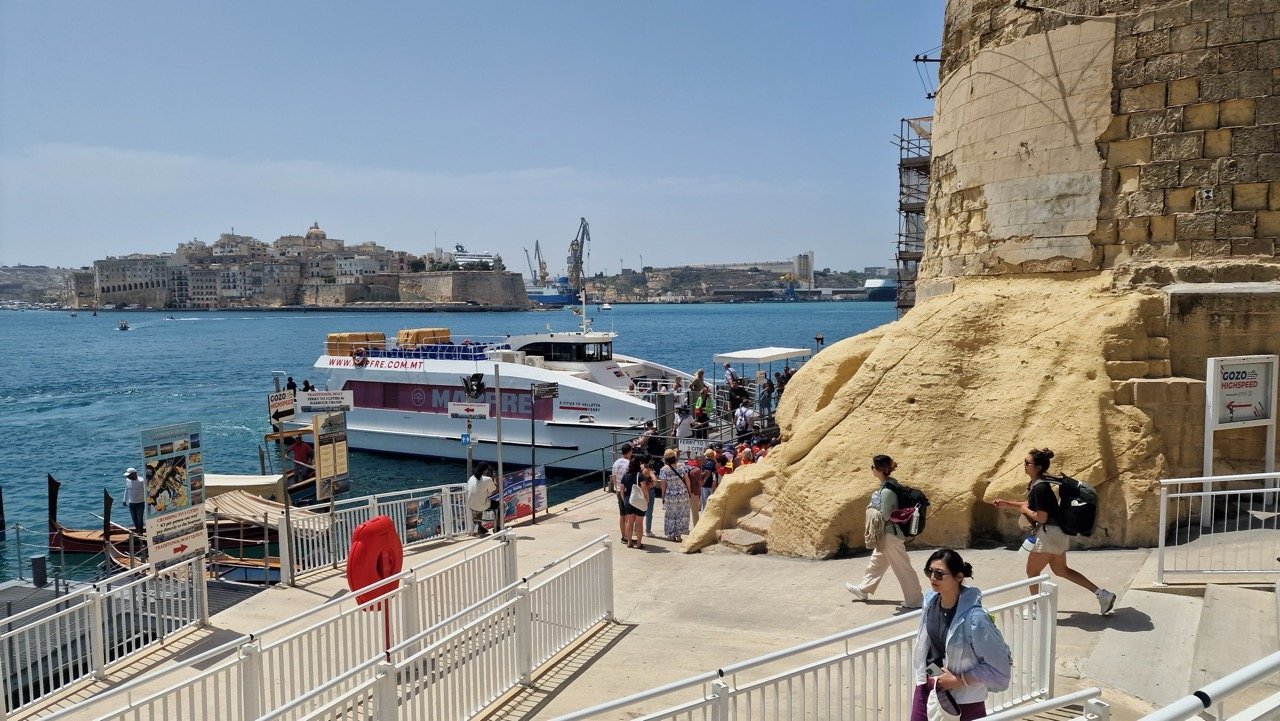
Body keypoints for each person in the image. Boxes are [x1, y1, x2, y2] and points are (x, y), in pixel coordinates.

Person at [993, 448, 1117, 615]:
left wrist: (1024, 510)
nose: (1024, 465)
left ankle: (1037, 608)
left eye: (1027, 463)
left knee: (1032, 571)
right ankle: (1103, 595)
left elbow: (1041, 517)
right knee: (1062, 570)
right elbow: (1032, 504)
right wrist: (1008, 503)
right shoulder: (1040, 484)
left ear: (1037, 467)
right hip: (1057, 534)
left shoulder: (1040, 488)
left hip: (1048, 535)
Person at [910, 549, 1012, 721]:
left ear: (958, 577)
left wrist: (959, 680)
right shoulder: (930, 601)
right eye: (929, 571)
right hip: (927, 686)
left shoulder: (976, 619)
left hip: (964, 701)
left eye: (939, 573)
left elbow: (1000, 672)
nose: (933, 578)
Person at [846, 455, 924, 610]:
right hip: (886, 534)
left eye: (872, 467)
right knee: (877, 562)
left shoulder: (887, 491)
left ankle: (915, 600)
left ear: (878, 469)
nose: (871, 470)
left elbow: (886, 515)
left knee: (903, 568)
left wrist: (872, 508)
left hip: (890, 535)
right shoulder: (889, 484)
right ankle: (863, 589)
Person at [658, 449, 691, 542]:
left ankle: (671, 535)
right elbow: (687, 480)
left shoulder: (663, 469)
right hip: (682, 493)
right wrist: (689, 491)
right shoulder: (682, 466)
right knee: (681, 513)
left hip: (670, 494)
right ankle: (679, 535)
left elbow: (663, 484)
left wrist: (663, 496)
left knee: (671, 514)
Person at [620, 458, 650, 549]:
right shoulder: (640, 475)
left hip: (628, 501)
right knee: (639, 523)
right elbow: (644, 488)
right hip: (638, 501)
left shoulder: (625, 476)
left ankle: (629, 542)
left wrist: (624, 499)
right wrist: (647, 499)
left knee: (630, 522)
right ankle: (639, 543)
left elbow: (621, 489)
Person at [466, 463, 499, 536]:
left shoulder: (471, 478)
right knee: (500, 505)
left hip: (471, 505)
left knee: (480, 503)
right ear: (486, 470)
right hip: (481, 505)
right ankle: (497, 527)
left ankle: (480, 527)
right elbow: (495, 489)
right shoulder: (487, 479)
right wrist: (495, 479)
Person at [611, 443, 634, 543]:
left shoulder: (616, 463)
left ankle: (623, 536)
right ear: (629, 452)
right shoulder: (628, 463)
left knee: (622, 514)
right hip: (627, 491)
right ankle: (628, 537)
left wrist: (616, 487)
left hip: (618, 490)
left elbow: (613, 478)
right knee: (629, 515)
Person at [123, 467, 146, 535]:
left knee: (139, 518)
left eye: (129, 475)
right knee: (134, 518)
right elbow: (126, 490)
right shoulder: (127, 480)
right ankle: (137, 530)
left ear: (134, 474)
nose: (127, 476)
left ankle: (140, 532)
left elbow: (146, 491)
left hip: (140, 503)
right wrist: (124, 499)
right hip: (131, 503)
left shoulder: (142, 481)